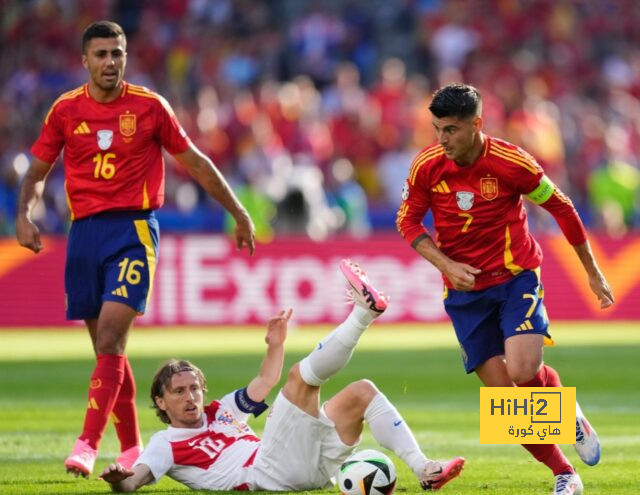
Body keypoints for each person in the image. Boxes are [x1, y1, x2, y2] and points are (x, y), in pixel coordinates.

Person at [15, 21, 255, 478]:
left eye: (118, 53)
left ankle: (86, 443)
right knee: (109, 351)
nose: (111, 62)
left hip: (133, 231)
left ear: (126, 57)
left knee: (109, 338)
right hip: (83, 234)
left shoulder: (149, 107)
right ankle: (130, 448)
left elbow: (196, 164)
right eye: (101, 54)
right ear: (85, 60)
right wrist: (24, 214)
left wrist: (238, 212)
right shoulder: (65, 110)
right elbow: (37, 171)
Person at [396, 83, 614, 495]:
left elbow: (562, 208)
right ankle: (565, 473)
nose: (442, 140)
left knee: (522, 371)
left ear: (477, 124)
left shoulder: (512, 162)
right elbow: (407, 222)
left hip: (515, 278)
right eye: (437, 129)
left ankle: (566, 419)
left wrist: (592, 271)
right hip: (463, 292)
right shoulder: (426, 165)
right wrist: (446, 264)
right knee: (505, 401)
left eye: (452, 130)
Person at [99, 259, 465, 492]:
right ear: (161, 402)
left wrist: (274, 344)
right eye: (179, 391)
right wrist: (119, 482)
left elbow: (263, 384)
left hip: (306, 468)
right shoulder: (165, 443)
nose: (190, 396)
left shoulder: (221, 411)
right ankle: (362, 315)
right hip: (265, 474)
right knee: (300, 379)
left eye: (194, 388)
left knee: (362, 393)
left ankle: (425, 469)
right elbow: (136, 481)